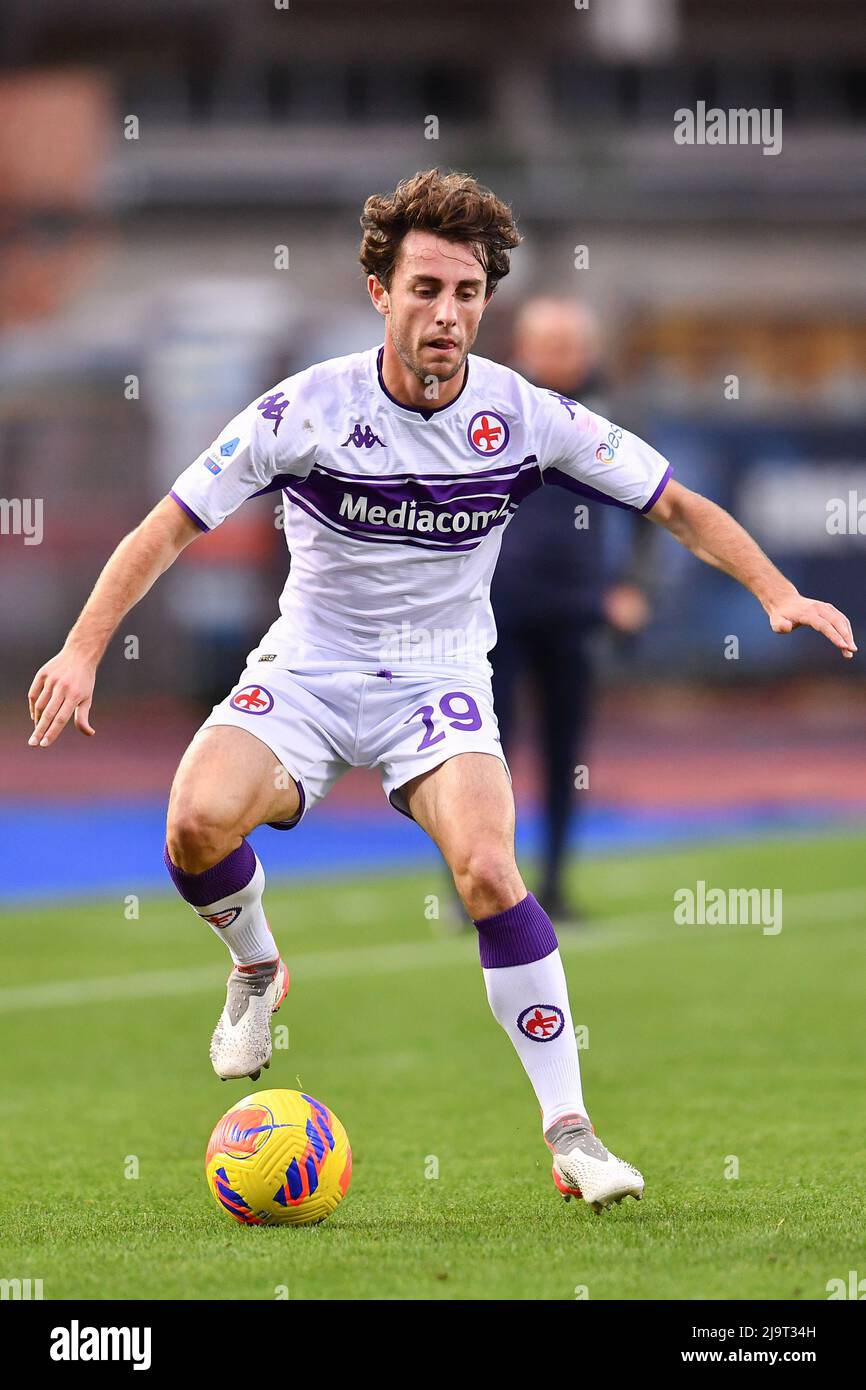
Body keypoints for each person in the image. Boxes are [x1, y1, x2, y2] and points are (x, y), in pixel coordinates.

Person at [28, 169, 855, 1214]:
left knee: (487, 873)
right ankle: (255, 967)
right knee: (192, 828)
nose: (446, 314)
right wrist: (82, 649)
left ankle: (571, 1135)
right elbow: (165, 528)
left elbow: (676, 503)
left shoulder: (524, 415)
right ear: (379, 291)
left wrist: (775, 591)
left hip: (439, 683)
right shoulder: (303, 410)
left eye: (466, 293)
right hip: (310, 671)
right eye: (425, 289)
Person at [492, 297, 656, 921]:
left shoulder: (617, 414)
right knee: (480, 754)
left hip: (577, 609)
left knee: (567, 753)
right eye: (547, 343)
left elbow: (655, 507)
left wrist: (632, 585)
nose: (559, 356)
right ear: (524, 346)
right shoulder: (488, 404)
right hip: (494, 608)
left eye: (570, 343)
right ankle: (479, 886)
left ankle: (555, 884)